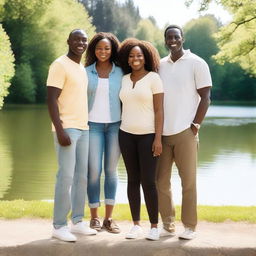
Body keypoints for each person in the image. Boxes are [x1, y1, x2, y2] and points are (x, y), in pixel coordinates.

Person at [156, 25, 212, 240]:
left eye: (176, 37)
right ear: (165, 40)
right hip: (162, 134)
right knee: (161, 182)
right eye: (169, 37)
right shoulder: (160, 65)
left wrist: (195, 126)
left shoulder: (197, 63)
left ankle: (189, 226)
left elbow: (205, 97)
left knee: (188, 182)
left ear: (182, 39)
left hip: (186, 133)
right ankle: (167, 225)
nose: (172, 40)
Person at [47, 29, 97, 242]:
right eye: (77, 39)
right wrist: (60, 129)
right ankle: (59, 226)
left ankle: (77, 221)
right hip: (67, 129)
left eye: (84, 40)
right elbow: (51, 99)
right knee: (65, 176)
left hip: (83, 128)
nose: (81, 43)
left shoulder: (81, 68)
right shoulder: (59, 65)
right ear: (68, 41)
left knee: (81, 177)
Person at [118, 38, 164, 241]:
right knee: (132, 180)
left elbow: (159, 110)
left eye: (139, 55)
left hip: (148, 136)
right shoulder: (124, 79)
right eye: (131, 55)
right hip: (125, 134)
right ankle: (136, 225)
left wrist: (158, 138)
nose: (135, 58)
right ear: (127, 59)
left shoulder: (154, 78)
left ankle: (154, 226)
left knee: (149, 182)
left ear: (145, 58)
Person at [85, 32, 123, 233]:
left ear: (112, 50)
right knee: (93, 172)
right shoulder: (86, 72)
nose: (103, 52)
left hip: (115, 126)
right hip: (93, 127)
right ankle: (94, 218)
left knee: (111, 171)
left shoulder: (121, 72)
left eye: (107, 48)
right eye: (99, 48)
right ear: (94, 50)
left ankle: (109, 218)